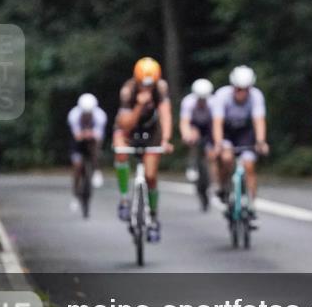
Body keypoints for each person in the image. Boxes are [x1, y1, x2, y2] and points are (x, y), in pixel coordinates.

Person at [113, 57, 173, 241]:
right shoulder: (127, 91)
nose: (147, 89)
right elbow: (125, 124)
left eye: (150, 85)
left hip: (151, 130)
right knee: (120, 153)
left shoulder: (160, 88)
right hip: (128, 129)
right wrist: (139, 105)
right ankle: (124, 199)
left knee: (151, 175)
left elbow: (165, 114)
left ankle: (153, 217)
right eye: (143, 85)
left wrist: (166, 139)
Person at [211, 65, 268, 228]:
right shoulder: (222, 95)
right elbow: (217, 123)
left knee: (249, 166)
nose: (241, 93)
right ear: (233, 86)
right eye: (238, 89)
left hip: (245, 133)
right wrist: (218, 144)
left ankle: (251, 206)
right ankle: (223, 187)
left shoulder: (256, 96)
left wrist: (261, 141)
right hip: (227, 133)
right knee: (226, 158)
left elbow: (258, 121)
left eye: (245, 89)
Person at [67, 93, 107, 213]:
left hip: (92, 141)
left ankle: (97, 169)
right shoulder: (73, 115)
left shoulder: (100, 116)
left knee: (96, 148)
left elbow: (99, 136)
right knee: (77, 167)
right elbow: (77, 136)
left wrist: (90, 135)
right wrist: (86, 134)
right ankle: (75, 195)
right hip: (78, 142)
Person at [180, 78, 215, 204]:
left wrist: (215, 142)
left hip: (209, 126)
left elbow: (217, 123)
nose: (202, 101)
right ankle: (192, 164)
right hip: (194, 126)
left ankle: (211, 178)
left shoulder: (213, 102)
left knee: (212, 151)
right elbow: (184, 122)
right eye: (199, 99)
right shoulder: (188, 102)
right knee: (193, 138)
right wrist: (186, 135)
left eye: (204, 99)